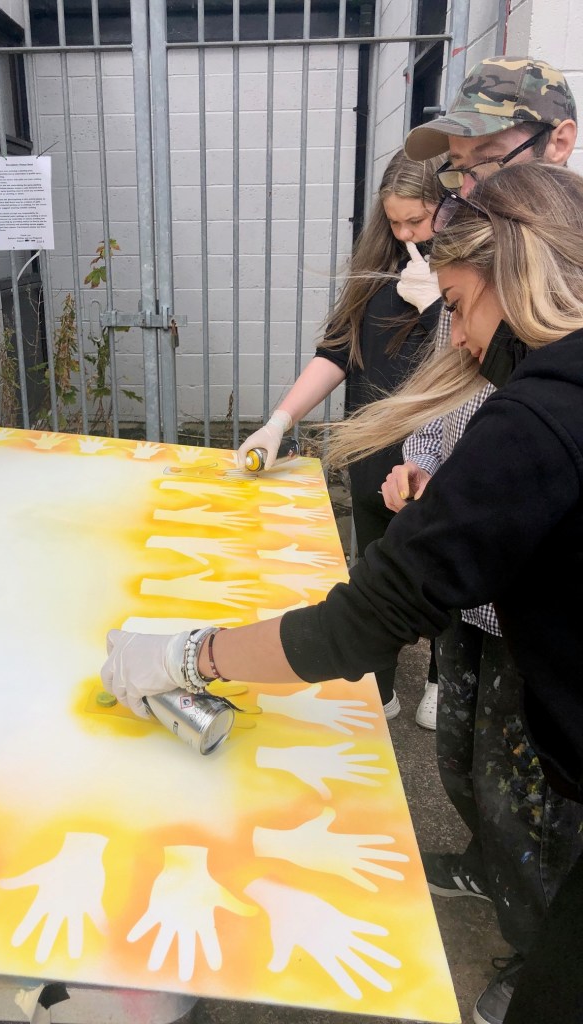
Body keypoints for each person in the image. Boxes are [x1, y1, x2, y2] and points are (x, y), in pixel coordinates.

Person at [101, 162, 583, 1024]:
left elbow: (367, 623)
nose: (459, 340)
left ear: (512, 271)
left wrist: (189, 655)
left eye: (459, 306)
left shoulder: (540, 414)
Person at [380, 56, 580, 1024]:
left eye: (486, 158)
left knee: (530, 790)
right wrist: (425, 464)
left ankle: (538, 948)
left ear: (559, 142)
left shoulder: (555, 265)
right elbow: (448, 392)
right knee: (459, 754)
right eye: (457, 168)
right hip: (475, 580)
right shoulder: (478, 249)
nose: (465, 187)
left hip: (536, 596)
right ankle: (490, 869)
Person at [237, 148, 442, 725]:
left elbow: (482, 363)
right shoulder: (377, 268)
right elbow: (337, 353)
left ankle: (441, 677)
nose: (405, 234)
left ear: (447, 207)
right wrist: (279, 421)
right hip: (374, 451)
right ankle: (379, 681)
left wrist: (438, 309)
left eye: (417, 221)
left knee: (441, 568)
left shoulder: (467, 270)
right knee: (375, 569)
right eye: (394, 221)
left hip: (438, 453)